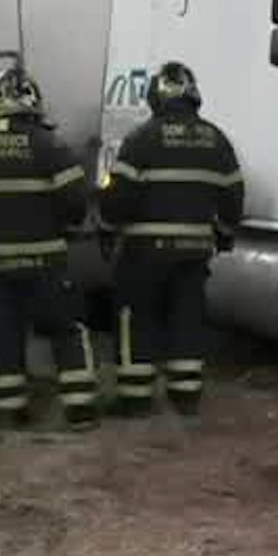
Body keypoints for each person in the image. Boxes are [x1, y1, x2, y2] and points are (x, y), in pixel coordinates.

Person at [0, 68, 99, 429]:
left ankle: (10, 412)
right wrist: (62, 224)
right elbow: (75, 203)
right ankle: (79, 410)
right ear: (34, 102)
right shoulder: (50, 145)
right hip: (45, 264)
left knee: (3, 336)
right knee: (66, 329)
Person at [99, 61, 243, 416]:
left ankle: (136, 398)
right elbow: (233, 194)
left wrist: (106, 225)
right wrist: (223, 234)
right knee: (187, 317)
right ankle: (186, 395)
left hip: (144, 253)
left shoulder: (141, 139)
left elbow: (119, 196)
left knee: (136, 316)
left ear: (155, 98)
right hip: (194, 252)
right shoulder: (217, 139)